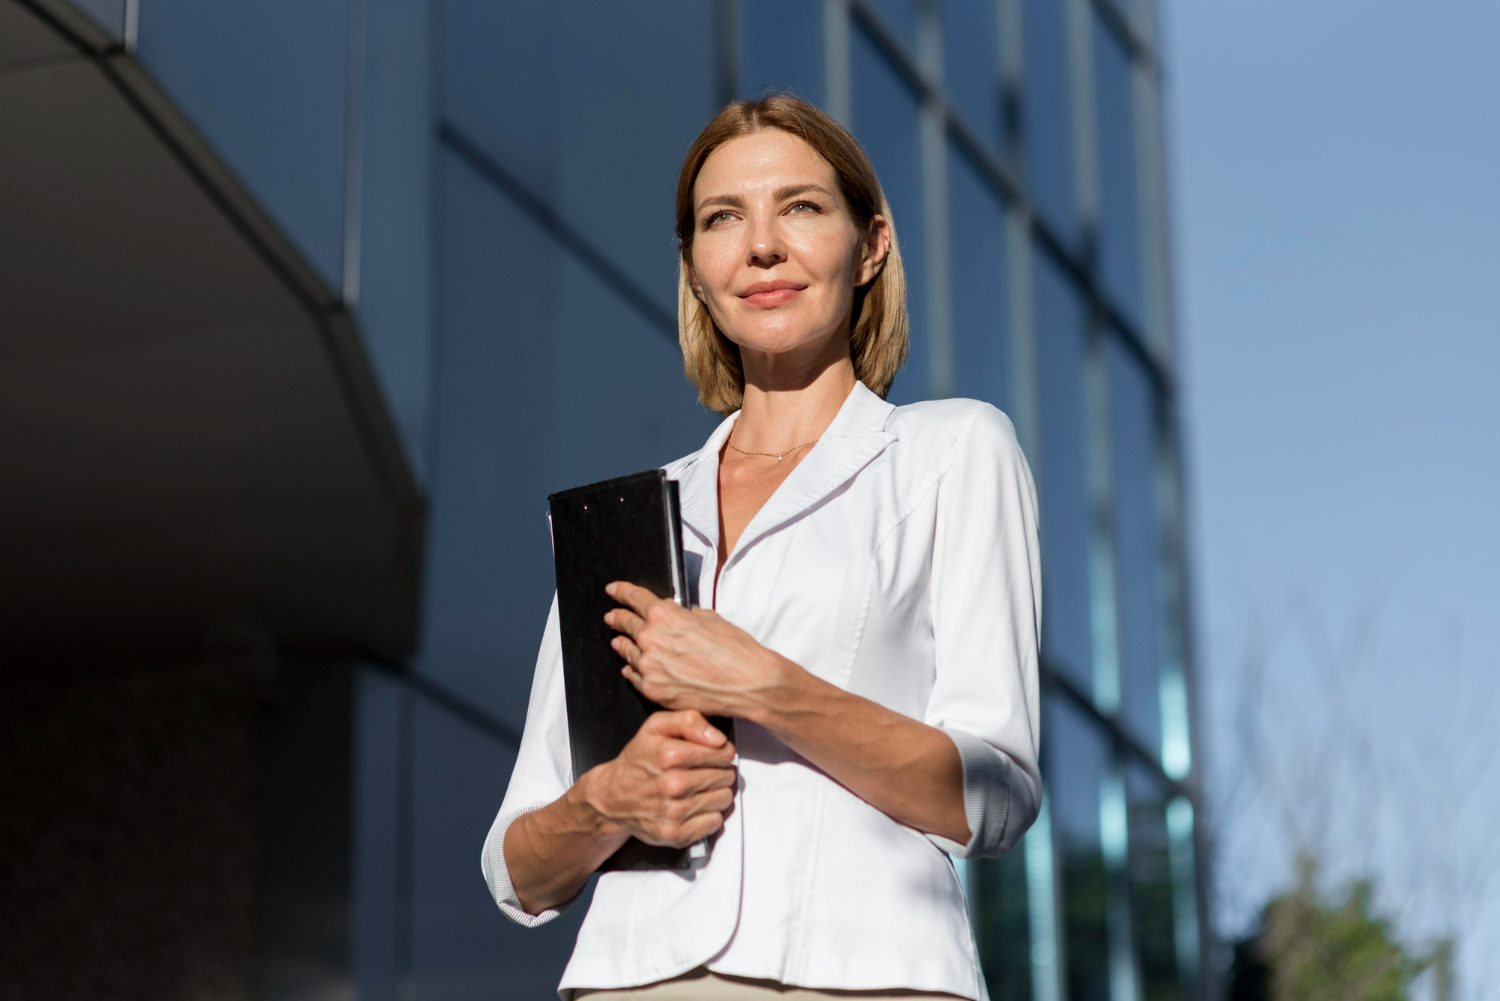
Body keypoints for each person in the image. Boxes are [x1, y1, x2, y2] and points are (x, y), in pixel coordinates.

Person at [482, 95, 1041, 1001]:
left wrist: (764, 684)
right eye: (723, 219)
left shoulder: (953, 451)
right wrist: (610, 800)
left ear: (872, 244)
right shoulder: (621, 522)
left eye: (803, 207)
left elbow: (995, 794)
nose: (762, 246)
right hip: (633, 982)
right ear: (697, 271)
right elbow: (518, 870)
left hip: (864, 976)